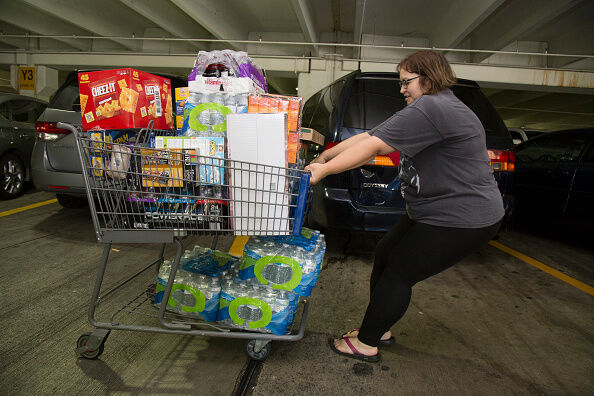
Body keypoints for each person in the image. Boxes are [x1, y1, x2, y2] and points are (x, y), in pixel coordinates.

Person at [305, 50, 504, 363]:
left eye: (405, 82)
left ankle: (368, 342)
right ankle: (378, 327)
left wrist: (323, 172)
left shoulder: (434, 107)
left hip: (461, 217)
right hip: (434, 212)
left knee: (399, 270)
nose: (401, 89)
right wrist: (324, 157)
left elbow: (375, 146)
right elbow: (370, 136)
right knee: (385, 253)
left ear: (427, 78)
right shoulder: (434, 105)